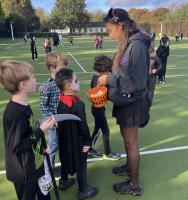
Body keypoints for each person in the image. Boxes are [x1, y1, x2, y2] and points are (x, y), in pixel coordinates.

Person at [98, 8, 151, 196]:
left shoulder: (136, 46)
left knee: (130, 142)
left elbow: (135, 82)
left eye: (110, 30)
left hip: (133, 102)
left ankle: (134, 185)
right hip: (125, 101)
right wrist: (109, 78)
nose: (109, 34)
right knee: (126, 138)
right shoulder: (128, 43)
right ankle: (129, 167)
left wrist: (108, 80)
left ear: (120, 25)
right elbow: (124, 73)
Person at [0, 60, 56, 200]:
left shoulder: (24, 104)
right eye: (33, 76)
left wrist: (43, 144)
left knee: (44, 195)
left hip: (34, 163)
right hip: (24, 172)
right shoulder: (15, 113)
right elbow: (17, 146)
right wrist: (41, 131)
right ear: (23, 85)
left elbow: (28, 130)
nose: (35, 79)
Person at [55, 68, 99, 199]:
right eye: (76, 80)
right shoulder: (78, 104)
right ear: (68, 86)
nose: (78, 82)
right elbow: (83, 127)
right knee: (81, 165)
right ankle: (83, 191)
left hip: (64, 141)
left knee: (64, 159)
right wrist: (88, 142)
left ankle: (63, 181)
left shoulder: (60, 101)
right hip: (78, 142)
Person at [40, 52, 68, 175]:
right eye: (62, 68)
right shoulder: (47, 86)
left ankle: (64, 169)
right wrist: (52, 120)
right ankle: (48, 171)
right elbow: (43, 107)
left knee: (64, 144)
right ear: (52, 69)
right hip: (54, 122)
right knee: (53, 145)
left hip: (65, 119)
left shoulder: (63, 82)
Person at [88, 54, 121, 160]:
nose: (109, 74)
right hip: (98, 110)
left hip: (98, 109)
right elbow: (106, 93)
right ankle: (107, 153)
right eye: (108, 71)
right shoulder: (98, 80)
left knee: (97, 129)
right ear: (103, 70)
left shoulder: (96, 77)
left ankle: (89, 147)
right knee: (105, 130)